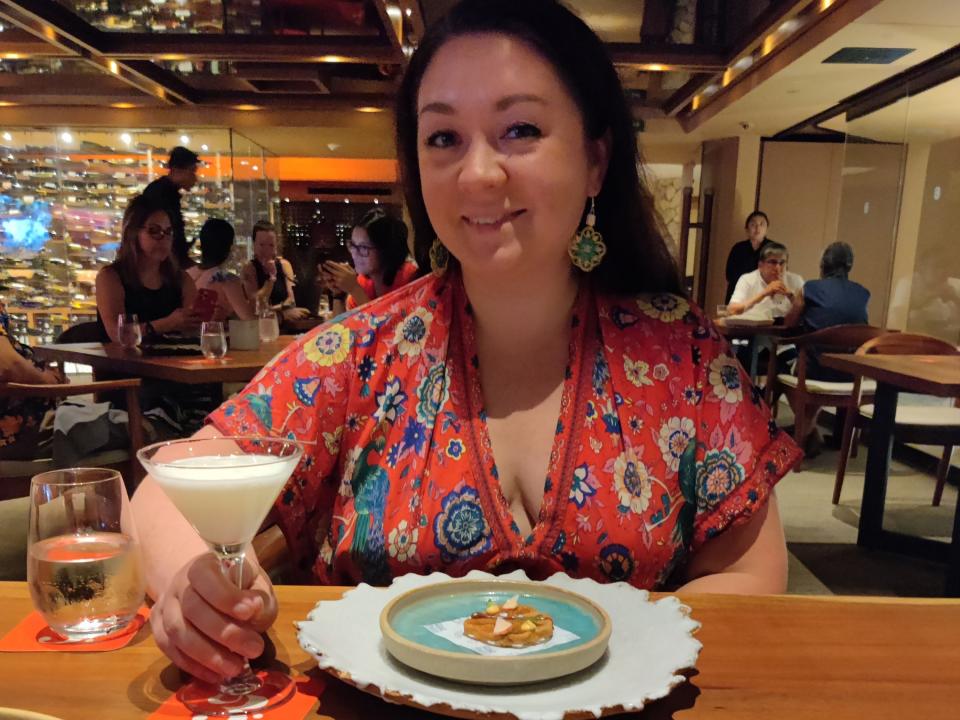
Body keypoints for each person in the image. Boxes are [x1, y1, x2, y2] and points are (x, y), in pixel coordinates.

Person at [132, 0, 801, 684]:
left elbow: (748, 570)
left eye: (520, 129)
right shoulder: (361, 352)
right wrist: (192, 586)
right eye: (443, 138)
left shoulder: (680, 353)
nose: (478, 174)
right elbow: (163, 491)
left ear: (596, 159)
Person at [782, 242, 870, 455]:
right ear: (849, 266)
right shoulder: (863, 293)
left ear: (823, 265)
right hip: (851, 374)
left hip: (815, 371)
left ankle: (806, 430)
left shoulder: (809, 288)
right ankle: (814, 433)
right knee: (814, 363)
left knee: (781, 365)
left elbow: (789, 323)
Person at [96, 194, 199, 343]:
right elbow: (118, 334)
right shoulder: (111, 277)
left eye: (168, 232)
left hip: (173, 362)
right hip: (123, 364)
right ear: (133, 233)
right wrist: (167, 323)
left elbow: (192, 331)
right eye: (154, 231)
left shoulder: (181, 280)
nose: (163, 238)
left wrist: (203, 319)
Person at [320, 208, 419, 310]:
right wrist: (338, 294)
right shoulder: (363, 281)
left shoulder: (411, 279)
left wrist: (354, 289)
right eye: (353, 245)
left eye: (363, 247)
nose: (354, 253)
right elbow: (342, 326)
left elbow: (388, 324)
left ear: (385, 249)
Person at [0, 321, 63, 460]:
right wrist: (50, 382)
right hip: (26, 438)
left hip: (33, 428)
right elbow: (8, 365)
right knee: (114, 426)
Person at [142, 146, 200, 269]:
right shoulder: (162, 194)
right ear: (178, 170)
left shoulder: (162, 191)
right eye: (192, 171)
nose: (195, 178)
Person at [240, 220, 310, 323]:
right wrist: (271, 278)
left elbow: (291, 301)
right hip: (262, 326)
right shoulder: (249, 269)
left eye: (271, 245)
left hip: (285, 325)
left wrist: (273, 310)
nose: (267, 250)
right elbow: (256, 305)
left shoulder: (284, 265)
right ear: (254, 245)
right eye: (262, 245)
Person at [187, 218, 256, 321]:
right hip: (216, 336)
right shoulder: (225, 279)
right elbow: (249, 321)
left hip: (190, 335)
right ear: (228, 249)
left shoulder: (187, 274)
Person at [728, 242, 804, 319]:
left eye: (782, 262)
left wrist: (791, 296)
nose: (778, 268)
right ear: (760, 265)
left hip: (787, 329)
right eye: (773, 262)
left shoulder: (796, 280)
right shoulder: (747, 279)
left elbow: (809, 313)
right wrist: (764, 294)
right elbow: (732, 310)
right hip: (754, 328)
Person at [725, 211, 773, 303]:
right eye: (753, 224)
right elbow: (729, 275)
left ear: (766, 228)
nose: (757, 228)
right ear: (747, 229)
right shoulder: (738, 248)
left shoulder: (774, 249)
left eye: (762, 224)